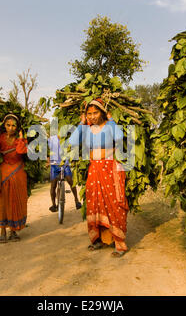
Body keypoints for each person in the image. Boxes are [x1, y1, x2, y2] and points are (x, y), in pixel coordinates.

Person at [68, 98, 129, 257]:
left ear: (102, 112)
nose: (93, 116)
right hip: (94, 170)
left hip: (110, 168)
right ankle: (98, 240)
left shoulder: (109, 126)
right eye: (89, 114)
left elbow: (119, 137)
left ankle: (119, 243)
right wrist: (82, 123)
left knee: (113, 203)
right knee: (95, 203)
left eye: (96, 113)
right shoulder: (87, 128)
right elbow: (73, 141)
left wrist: (112, 120)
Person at [0, 114, 28, 243]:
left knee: (15, 201)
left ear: (17, 128)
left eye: (13, 126)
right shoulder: (0, 138)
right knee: (4, 202)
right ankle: (2, 231)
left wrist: (21, 137)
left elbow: (21, 152)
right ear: (4, 126)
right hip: (4, 172)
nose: (11, 128)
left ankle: (14, 231)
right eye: (8, 125)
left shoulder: (19, 139)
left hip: (18, 172)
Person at [48, 133, 82, 212]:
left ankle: (76, 201)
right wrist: (48, 162)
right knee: (53, 186)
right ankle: (53, 205)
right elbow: (47, 151)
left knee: (71, 181)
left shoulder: (67, 139)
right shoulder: (50, 139)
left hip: (65, 164)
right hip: (54, 164)